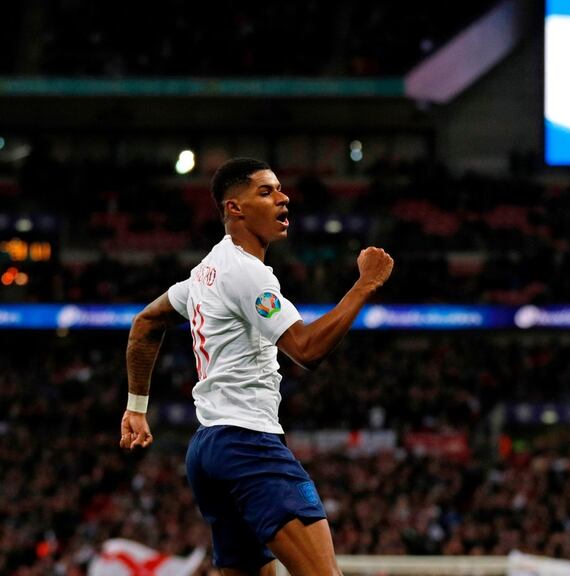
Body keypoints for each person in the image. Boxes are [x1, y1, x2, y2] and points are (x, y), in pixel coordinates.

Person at [119, 158, 393, 576]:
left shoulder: (204, 272)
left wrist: (136, 407)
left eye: (280, 189)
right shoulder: (248, 274)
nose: (283, 198)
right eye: (266, 192)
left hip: (208, 450)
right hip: (249, 445)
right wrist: (364, 285)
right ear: (235, 208)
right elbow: (306, 349)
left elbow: (145, 322)